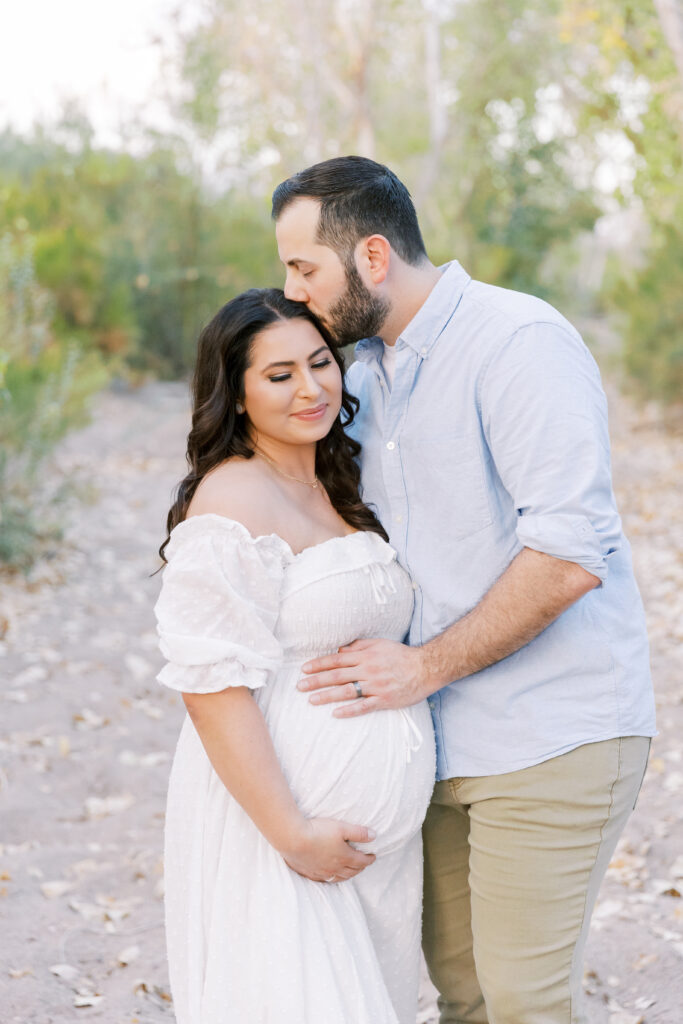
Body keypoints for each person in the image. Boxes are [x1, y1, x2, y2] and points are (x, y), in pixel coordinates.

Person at [271, 156, 657, 1024]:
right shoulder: (357, 374)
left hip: (553, 729)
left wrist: (421, 668)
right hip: (434, 745)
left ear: (372, 258)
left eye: (303, 268)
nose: (291, 291)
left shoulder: (517, 341)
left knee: (524, 1002)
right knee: (464, 997)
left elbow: (568, 553)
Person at [153, 287, 436, 1024]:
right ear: (237, 394)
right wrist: (289, 832)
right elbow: (210, 684)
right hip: (282, 832)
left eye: (319, 363)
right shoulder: (232, 499)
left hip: (370, 857)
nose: (310, 389)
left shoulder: (335, 480)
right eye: (279, 375)